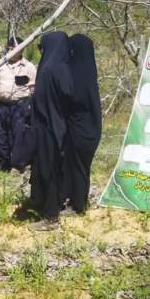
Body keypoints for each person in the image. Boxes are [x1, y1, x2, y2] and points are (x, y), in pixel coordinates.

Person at [28, 31, 74, 231]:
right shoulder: (65, 68)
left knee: (48, 170)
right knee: (57, 167)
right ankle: (55, 204)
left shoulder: (47, 70)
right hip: (61, 126)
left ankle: (51, 217)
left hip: (46, 127)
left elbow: (40, 101)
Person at [62, 34, 102, 215]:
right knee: (81, 167)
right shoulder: (89, 71)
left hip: (81, 131)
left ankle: (78, 206)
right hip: (90, 129)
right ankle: (76, 200)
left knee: (78, 167)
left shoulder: (77, 75)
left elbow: (73, 99)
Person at [0, 37, 37, 171]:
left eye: (15, 48)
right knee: (0, 135)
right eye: (10, 47)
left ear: (21, 49)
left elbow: (34, 87)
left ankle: (19, 162)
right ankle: (3, 162)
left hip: (20, 105)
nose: (11, 50)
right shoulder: (1, 65)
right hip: (2, 104)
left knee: (18, 134)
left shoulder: (29, 66)